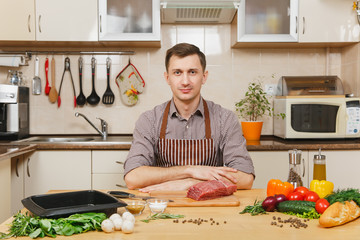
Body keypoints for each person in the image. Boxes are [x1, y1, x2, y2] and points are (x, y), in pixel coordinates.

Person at [124, 43, 255, 192]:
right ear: (167, 78)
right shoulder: (150, 120)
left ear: (204, 77)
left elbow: (245, 178)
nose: (185, 81)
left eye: (192, 72)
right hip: (162, 205)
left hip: (211, 204)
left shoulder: (224, 119)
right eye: (177, 72)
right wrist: (189, 170)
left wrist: (189, 184)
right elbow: (133, 178)